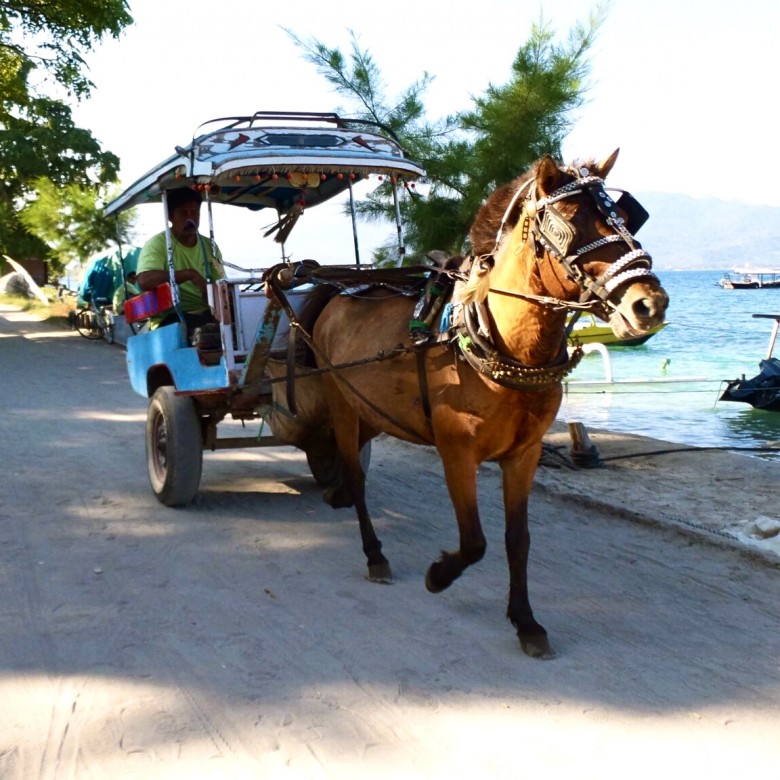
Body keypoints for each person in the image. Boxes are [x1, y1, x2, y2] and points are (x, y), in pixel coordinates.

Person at [135, 187, 225, 337]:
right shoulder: (158, 244)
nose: (190, 219)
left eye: (195, 213)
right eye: (183, 213)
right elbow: (145, 280)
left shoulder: (210, 246)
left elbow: (220, 283)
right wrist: (190, 274)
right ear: (170, 216)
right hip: (171, 317)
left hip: (207, 313)